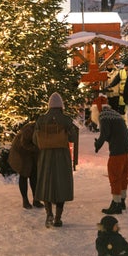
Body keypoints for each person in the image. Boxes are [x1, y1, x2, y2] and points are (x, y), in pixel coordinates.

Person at [33, 91, 78, 228]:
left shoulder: (41, 120)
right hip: (62, 156)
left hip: (45, 157)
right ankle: (58, 218)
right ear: (61, 106)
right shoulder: (66, 120)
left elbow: (35, 140)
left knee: (46, 184)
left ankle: (48, 214)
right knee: (61, 185)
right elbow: (73, 138)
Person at [94, 104, 128, 215]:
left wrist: (97, 144)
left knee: (114, 176)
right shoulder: (115, 114)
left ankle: (116, 204)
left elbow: (105, 134)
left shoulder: (103, 116)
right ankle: (122, 201)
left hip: (118, 150)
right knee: (123, 176)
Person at [8, 120, 43, 209]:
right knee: (24, 174)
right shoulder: (30, 129)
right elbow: (24, 143)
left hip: (32, 153)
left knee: (34, 175)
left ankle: (36, 199)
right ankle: (25, 200)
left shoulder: (43, 129)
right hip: (21, 153)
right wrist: (38, 148)